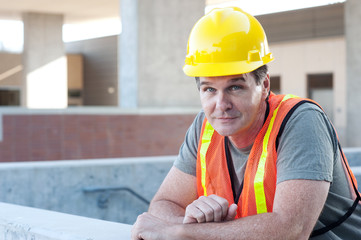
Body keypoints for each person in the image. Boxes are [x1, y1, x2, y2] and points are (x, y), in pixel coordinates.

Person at [131, 7, 361, 240]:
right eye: (209, 89)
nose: (221, 104)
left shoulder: (301, 120)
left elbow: (290, 230)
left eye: (235, 87)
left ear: (264, 85)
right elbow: (163, 204)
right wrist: (194, 223)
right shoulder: (205, 127)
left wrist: (184, 232)